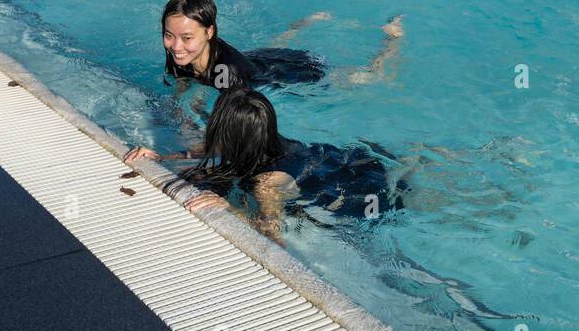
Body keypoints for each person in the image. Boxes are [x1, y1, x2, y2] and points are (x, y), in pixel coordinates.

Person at [126, 89, 407, 241]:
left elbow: (271, 233)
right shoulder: (265, 140)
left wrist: (230, 209)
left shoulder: (267, 184)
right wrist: (160, 158)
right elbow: (210, 150)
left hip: (353, 190)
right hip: (343, 159)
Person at [158, 0, 404, 94]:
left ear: (209, 32)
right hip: (256, 58)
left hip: (296, 71)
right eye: (169, 35)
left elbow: (233, 121)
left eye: (187, 37)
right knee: (271, 50)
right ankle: (304, 24)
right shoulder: (181, 51)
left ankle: (391, 40)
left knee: (370, 78)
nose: (176, 46)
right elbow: (184, 82)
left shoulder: (225, 75)